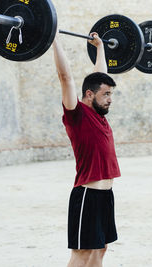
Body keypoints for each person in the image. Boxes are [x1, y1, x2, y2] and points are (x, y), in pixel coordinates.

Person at [53, 32, 121, 267]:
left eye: (111, 94)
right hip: (87, 195)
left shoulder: (99, 114)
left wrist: (100, 47)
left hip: (106, 194)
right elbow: (66, 78)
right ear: (89, 95)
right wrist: (54, 38)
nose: (110, 99)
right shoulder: (77, 115)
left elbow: (99, 76)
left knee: (100, 249)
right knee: (82, 254)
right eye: (106, 94)